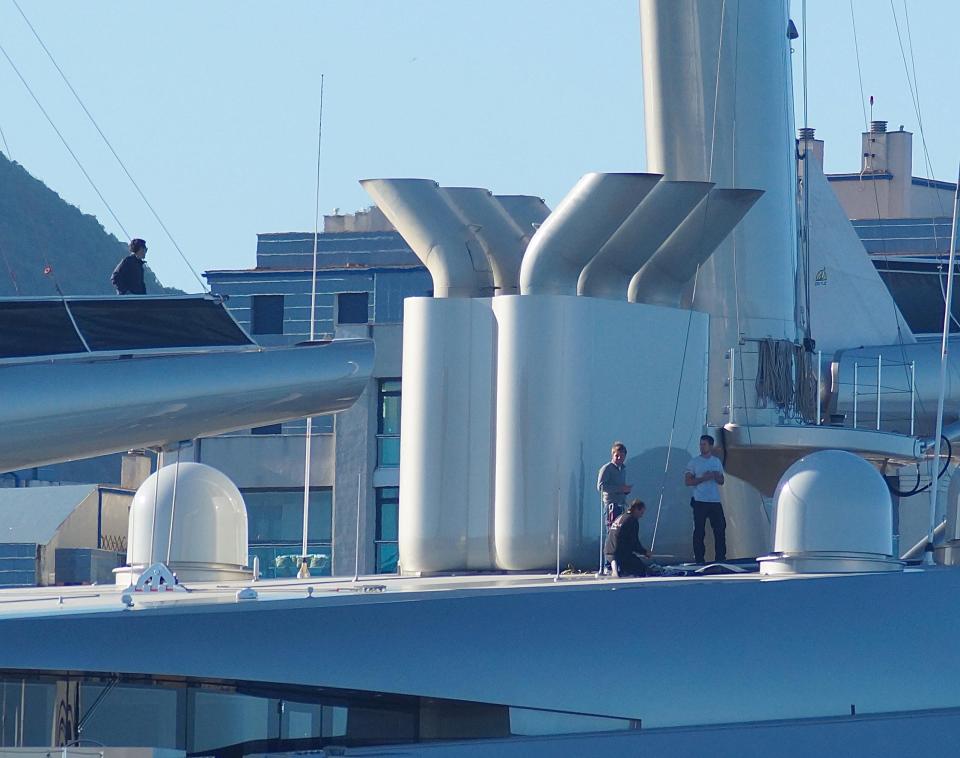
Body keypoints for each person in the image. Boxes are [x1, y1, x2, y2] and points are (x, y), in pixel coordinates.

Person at [684, 433, 726, 564]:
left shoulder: (716, 462)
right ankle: (699, 559)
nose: (702, 447)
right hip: (700, 501)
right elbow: (688, 481)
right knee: (699, 531)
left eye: (704, 444)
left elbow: (721, 480)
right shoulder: (694, 462)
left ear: (711, 446)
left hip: (714, 500)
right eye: (700, 444)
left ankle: (720, 558)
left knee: (720, 529)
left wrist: (714, 475)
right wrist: (703, 478)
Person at [604, 500, 652, 577]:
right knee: (642, 570)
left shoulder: (621, 517)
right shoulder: (632, 520)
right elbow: (634, 542)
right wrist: (645, 552)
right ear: (636, 509)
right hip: (620, 555)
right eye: (641, 512)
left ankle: (615, 570)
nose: (641, 516)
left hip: (609, 553)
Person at [597, 441, 631, 529]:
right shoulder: (606, 468)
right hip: (611, 506)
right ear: (613, 455)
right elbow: (601, 487)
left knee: (620, 532)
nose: (619, 458)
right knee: (612, 531)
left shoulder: (623, 470)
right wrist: (620, 489)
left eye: (622, 456)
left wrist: (625, 491)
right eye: (617, 456)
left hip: (621, 505)